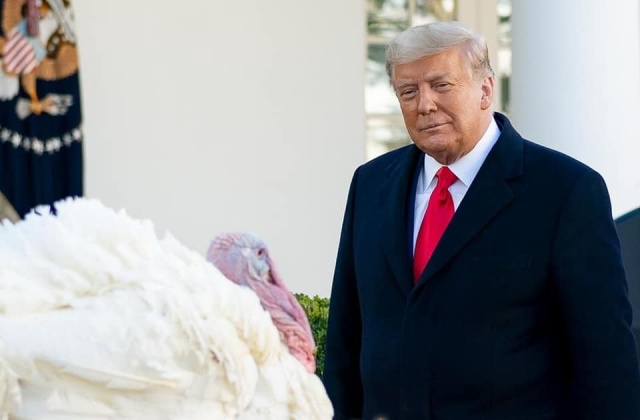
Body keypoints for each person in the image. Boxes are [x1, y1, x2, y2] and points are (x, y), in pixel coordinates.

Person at [322, 20, 640, 420]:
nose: (424, 105)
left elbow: (606, 360)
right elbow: (345, 341)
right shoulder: (370, 185)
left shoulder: (565, 190)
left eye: (441, 85)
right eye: (409, 91)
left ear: (486, 89)